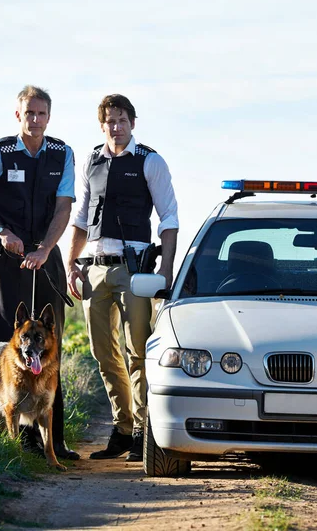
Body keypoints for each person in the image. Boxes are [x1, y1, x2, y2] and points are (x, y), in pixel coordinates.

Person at [0, 85, 79, 460]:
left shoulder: (63, 153)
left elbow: (64, 208)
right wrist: (1, 233)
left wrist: (46, 247)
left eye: (41, 113)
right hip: (8, 258)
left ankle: (53, 442)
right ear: (18, 115)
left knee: (49, 346)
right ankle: (17, 443)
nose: (35, 120)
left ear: (49, 116)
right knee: (11, 346)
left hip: (47, 256)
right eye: (28, 113)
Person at [67, 94, 178, 461]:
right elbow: (81, 218)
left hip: (135, 269)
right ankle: (122, 428)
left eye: (121, 120)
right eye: (109, 121)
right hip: (95, 267)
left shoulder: (150, 161)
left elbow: (169, 218)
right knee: (103, 352)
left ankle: (144, 431)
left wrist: (166, 269)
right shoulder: (91, 160)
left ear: (133, 122)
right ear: (102, 125)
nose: (115, 126)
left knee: (138, 350)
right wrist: (72, 263)